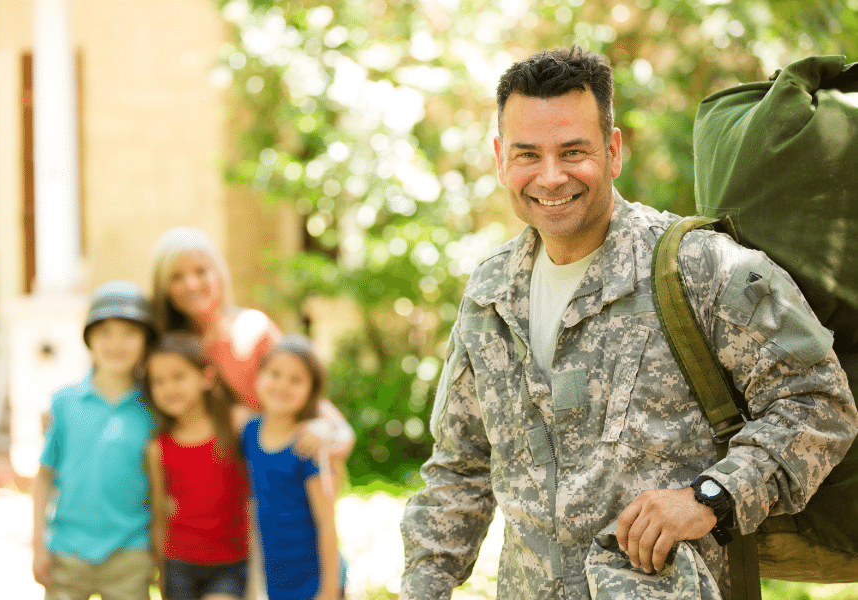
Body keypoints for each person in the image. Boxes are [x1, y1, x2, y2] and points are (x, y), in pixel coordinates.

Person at [399, 45, 858, 600]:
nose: (550, 176)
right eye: (527, 155)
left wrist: (710, 497)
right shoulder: (490, 295)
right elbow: (460, 468)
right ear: (500, 158)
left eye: (574, 151)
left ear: (613, 152)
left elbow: (818, 405)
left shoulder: (701, 268)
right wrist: (423, 586)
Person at [149, 226, 354, 465]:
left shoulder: (252, 328)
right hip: (206, 477)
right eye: (177, 277)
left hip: (269, 472)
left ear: (219, 274)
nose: (192, 284)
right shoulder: (165, 351)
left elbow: (317, 406)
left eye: (201, 271)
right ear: (164, 287)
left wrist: (332, 430)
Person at [31, 280, 158, 600]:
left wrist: (158, 545)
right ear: (90, 339)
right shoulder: (65, 404)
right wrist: (38, 544)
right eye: (105, 333)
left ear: (146, 341)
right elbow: (44, 477)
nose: (117, 343)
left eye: (129, 333)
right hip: (67, 552)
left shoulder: (153, 409)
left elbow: (159, 485)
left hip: (130, 551)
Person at [144, 332, 251, 600]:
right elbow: (159, 512)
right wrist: (159, 566)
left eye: (178, 377)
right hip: (178, 563)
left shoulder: (235, 428)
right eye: (158, 382)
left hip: (231, 563)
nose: (168, 389)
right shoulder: (158, 448)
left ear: (207, 377)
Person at [240, 335, 345, 600]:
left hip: (315, 579)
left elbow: (326, 522)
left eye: (296, 380)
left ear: (312, 390)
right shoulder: (250, 432)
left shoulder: (308, 445)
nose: (282, 385)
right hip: (276, 578)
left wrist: (328, 591)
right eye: (275, 374)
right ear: (258, 377)